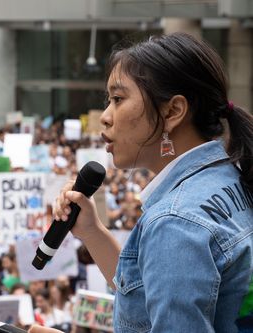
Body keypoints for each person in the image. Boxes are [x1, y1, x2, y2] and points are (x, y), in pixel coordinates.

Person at [34, 32, 253, 332]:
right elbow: (146, 296)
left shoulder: (175, 223)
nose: (106, 118)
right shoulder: (231, 176)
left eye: (118, 99)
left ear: (173, 111)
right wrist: (92, 231)